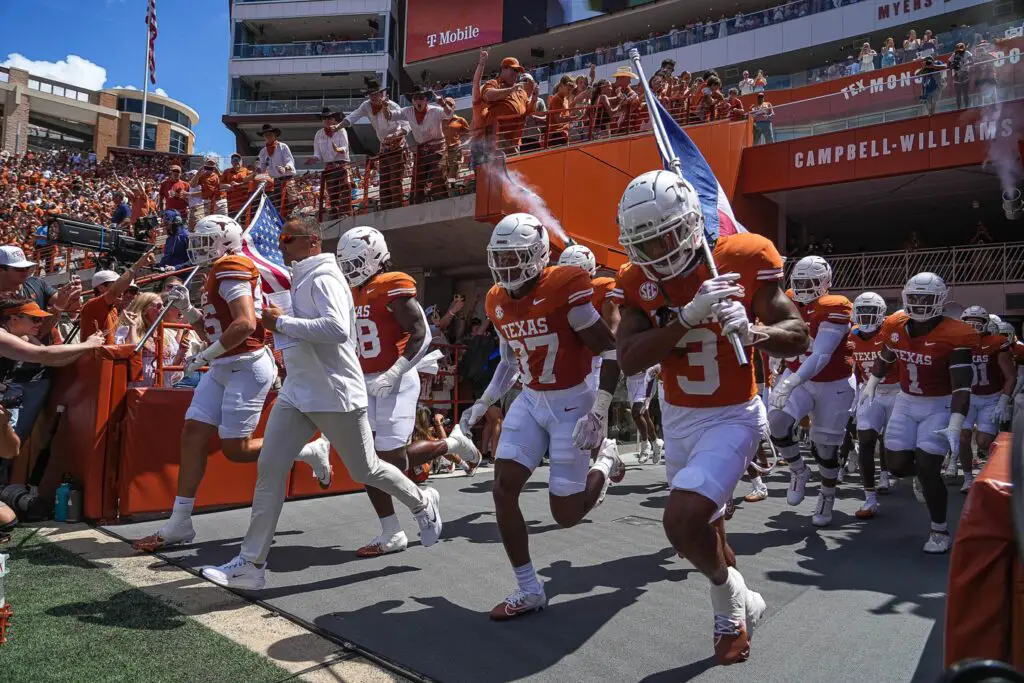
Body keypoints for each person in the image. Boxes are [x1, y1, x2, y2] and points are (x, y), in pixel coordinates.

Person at [615, 170, 807, 665]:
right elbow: (630, 358)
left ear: (692, 224)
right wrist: (685, 318)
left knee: (681, 521)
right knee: (708, 533)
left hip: (731, 415)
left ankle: (726, 602)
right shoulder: (637, 280)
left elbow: (798, 332)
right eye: (643, 242)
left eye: (665, 235)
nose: (656, 250)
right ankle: (743, 604)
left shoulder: (744, 257)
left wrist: (757, 331)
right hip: (677, 415)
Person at [200, 216, 442, 589]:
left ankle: (421, 501)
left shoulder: (325, 275)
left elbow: (335, 329)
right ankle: (251, 564)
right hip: (300, 390)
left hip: (335, 392)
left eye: (287, 238)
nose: (280, 245)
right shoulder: (306, 274)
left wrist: (282, 323)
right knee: (270, 469)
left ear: (312, 241)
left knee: (366, 470)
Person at [459, 213, 621, 620]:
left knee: (564, 516)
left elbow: (610, 349)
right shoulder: (496, 298)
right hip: (531, 399)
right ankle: (529, 587)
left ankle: (606, 460)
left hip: (572, 401)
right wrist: (482, 403)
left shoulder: (565, 286)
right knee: (503, 487)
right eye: (502, 257)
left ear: (538, 256)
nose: (507, 266)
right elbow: (511, 361)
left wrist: (600, 411)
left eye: (516, 257)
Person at [131, 215, 323, 551]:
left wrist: (205, 357)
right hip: (223, 365)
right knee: (192, 433)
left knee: (236, 450)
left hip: (247, 365)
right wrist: (190, 312)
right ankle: (180, 522)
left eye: (206, 241)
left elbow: (246, 325)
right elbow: (215, 333)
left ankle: (308, 450)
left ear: (227, 240)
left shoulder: (232, 265)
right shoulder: (214, 272)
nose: (198, 248)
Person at [300, 225, 449, 558]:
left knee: (393, 459)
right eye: (346, 263)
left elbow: (421, 334)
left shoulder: (391, 284)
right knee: (364, 459)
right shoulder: (348, 293)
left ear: (376, 257)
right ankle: (391, 531)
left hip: (396, 378)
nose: (350, 270)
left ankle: (444, 456)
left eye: (357, 262)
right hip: (361, 379)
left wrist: (395, 372)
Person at [860, 272, 977, 554]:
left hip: (940, 403)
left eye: (927, 298)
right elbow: (886, 356)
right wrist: (871, 385)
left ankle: (939, 529)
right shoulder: (895, 325)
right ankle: (924, 479)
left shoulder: (954, 334)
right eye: (915, 298)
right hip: (906, 400)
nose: (920, 304)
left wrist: (956, 422)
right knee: (897, 465)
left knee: (927, 465)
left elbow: (962, 386)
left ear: (939, 301)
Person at [768, 256, 854, 528]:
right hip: (798, 375)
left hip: (832, 383)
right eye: (800, 281)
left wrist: (789, 382)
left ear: (826, 283)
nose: (804, 287)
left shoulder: (835, 307)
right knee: (777, 421)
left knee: (826, 451)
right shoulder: (788, 299)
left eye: (811, 282)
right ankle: (798, 470)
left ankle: (827, 494)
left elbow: (821, 356)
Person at [557, 244, 625, 465]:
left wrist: (600, 346)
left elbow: (613, 327)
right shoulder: (558, 293)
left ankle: (596, 462)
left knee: (592, 411)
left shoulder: (602, 288)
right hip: (574, 360)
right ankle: (604, 452)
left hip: (596, 360)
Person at [951, 307, 1013, 492]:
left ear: (986, 324)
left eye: (977, 322)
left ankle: (987, 469)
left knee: (984, 442)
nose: (973, 327)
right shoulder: (957, 343)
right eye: (968, 323)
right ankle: (968, 479)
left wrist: (1003, 400)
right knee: (963, 437)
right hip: (967, 396)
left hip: (990, 397)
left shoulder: (996, 343)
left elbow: (1011, 375)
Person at [849, 292, 897, 519]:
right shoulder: (851, 336)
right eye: (863, 311)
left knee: (895, 443)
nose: (866, 315)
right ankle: (869, 498)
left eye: (871, 311)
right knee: (866, 439)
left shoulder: (891, 333)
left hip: (898, 391)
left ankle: (891, 473)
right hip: (871, 392)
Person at [340, 79, 410, 210]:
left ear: (382, 94)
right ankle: (385, 208)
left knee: (395, 180)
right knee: (384, 181)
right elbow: (353, 116)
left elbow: (406, 125)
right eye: (371, 95)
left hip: (398, 146)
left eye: (376, 94)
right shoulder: (366, 106)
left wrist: (395, 135)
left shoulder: (393, 106)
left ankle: (397, 208)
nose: (373, 97)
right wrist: (339, 126)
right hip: (383, 147)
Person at [79, 250, 157, 343]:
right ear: (101, 288)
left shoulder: (113, 309)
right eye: (116, 284)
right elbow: (114, 292)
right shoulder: (92, 305)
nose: (123, 290)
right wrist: (137, 265)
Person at [397, 85, 452, 204]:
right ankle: (416, 204)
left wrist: (443, 103)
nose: (418, 101)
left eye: (421, 98)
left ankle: (441, 201)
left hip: (437, 148)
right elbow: (390, 115)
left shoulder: (435, 110)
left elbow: (449, 114)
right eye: (415, 98)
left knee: (438, 174)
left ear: (426, 100)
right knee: (417, 179)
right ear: (412, 101)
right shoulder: (407, 111)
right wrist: (384, 106)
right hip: (421, 150)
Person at [308, 108, 352, 219]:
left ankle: (345, 212)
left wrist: (338, 149)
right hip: (329, 165)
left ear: (333, 119)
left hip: (342, 163)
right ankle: (335, 213)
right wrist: (314, 158)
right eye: (324, 118)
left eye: (329, 118)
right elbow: (317, 153)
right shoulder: (319, 134)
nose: (326, 120)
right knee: (332, 191)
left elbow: (345, 147)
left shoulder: (341, 130)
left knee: (345, 186)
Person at [256, 124, 297, 215]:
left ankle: (292, 222)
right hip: (277, 181)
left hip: (288, 179)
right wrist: (258, 170)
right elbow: (261, 167)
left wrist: (285, 168)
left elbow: (290, 161)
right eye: (265, 134)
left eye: (270, 134)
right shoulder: (263, 151)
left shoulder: (283, 146)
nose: (268, 136)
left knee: (292, 202)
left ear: (274, 135)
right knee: (279, 205)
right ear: (263, 137)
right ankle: (283, 224)